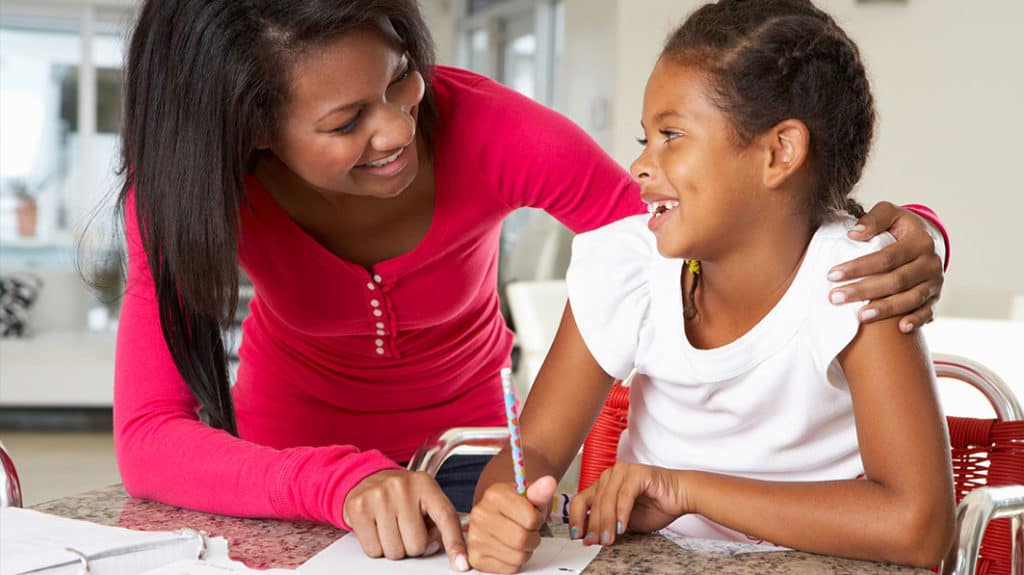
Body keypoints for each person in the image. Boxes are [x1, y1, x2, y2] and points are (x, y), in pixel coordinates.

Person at [113, 0, 948, 571]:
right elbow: (149, 432)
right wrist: (338, 482)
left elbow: (710, 227)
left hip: (471, 473)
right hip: (292, 482)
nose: (400, 128)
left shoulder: (491, 129)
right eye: (343, 122)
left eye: (402, 76)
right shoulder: (188, 186)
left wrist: (906, 230)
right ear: (250, 128)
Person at [467, 0, 955, 571]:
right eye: (645, 138)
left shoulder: (857, 280)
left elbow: (919, 526)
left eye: (671, 134)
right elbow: (537, 448)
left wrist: (687, 491)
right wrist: (499, 504)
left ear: (779, 153)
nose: (639, 167)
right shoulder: (628, 266)